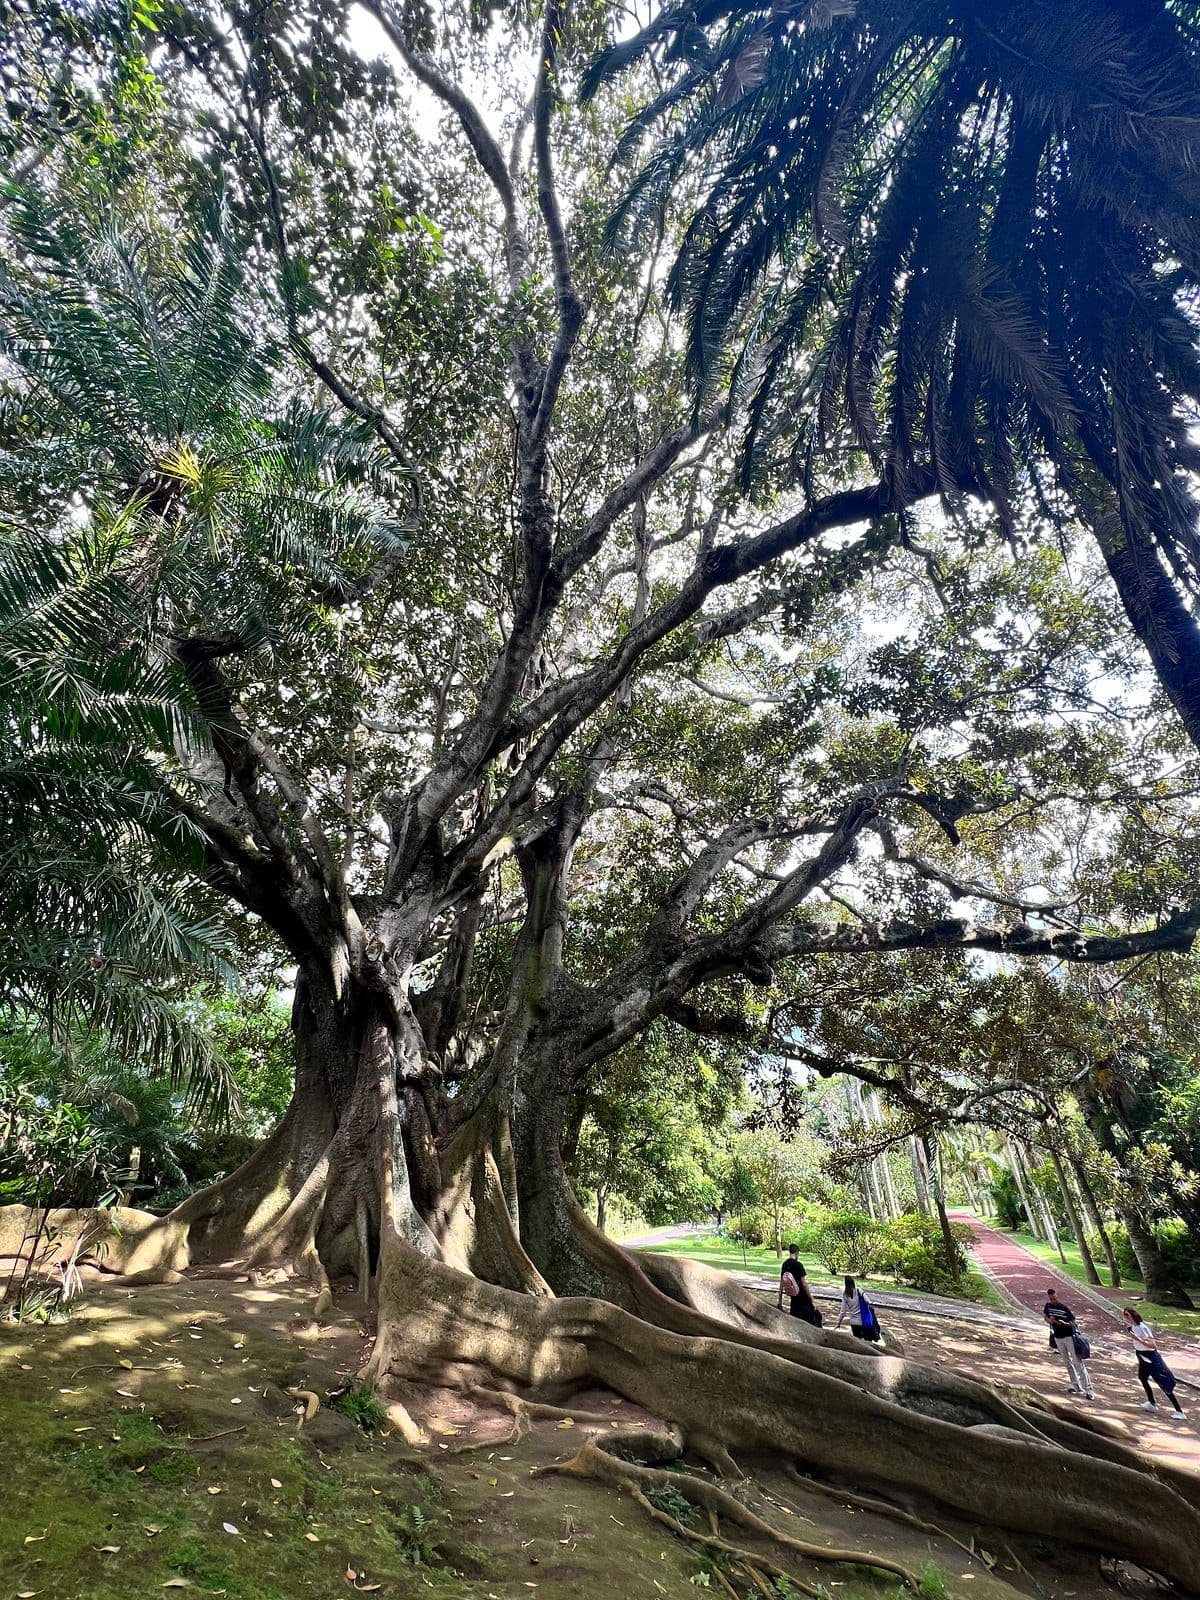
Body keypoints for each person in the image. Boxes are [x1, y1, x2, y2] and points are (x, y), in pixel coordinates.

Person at [1123, 1306, 1187, 1420]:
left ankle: (1179, 1411)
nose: (1125, 1317)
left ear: (1133, 1315)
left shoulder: (1142, 1327)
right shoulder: (1133, 1327)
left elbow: (1153, 1345)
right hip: (1142, 1356)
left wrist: (1138, 1339)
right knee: (1142, 1378)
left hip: (1150, 1358)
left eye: (1127, 1314)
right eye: (1124, 1315)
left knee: (1163, 1382)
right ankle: (1152, 1403)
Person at [1043, 1287, 1093, 1399]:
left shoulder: (1064, 1308)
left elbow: (1073, 1323)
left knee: (1077, 1363)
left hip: (1069, 1337)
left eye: (1055, 1299)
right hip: (1058, 1337)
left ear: (1057, 1296)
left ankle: (1089, 1390)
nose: (1053, 1301)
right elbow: (1045, 1316)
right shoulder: (1048, 1306)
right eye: (1051, 1299)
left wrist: (1064, 1323)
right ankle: (1075, 1386)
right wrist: (1049, 1321)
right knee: (1067, 1363)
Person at [777, 1245, 822, 1326]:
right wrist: (812, 1300)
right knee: (814, 1323)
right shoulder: (798, 1265)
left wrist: (780, 1302)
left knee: (795, 1325)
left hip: (794, 1301)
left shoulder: (785, 1265)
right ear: (797, 1253)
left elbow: (781, 1285)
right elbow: (804, 1285)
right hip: (804, 1301)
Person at [835, 1275, 880, 1341]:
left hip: (854, 1323)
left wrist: (839, 1323)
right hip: (864, 1321)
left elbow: (843, 1311)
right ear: (853, 1282)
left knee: (858, 1341)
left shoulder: (845, 1295)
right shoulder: (859, 1291)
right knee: (868, 1341)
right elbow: (868, 1301)